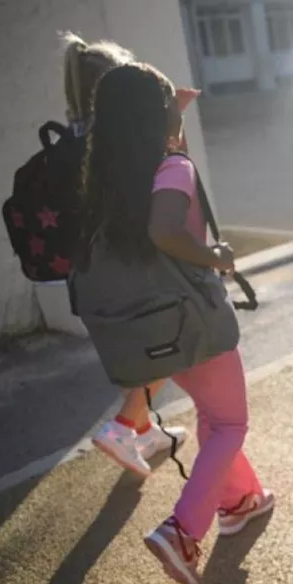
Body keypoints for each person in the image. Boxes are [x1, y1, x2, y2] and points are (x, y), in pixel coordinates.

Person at [81, 63, 274, 584]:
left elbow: (151, 214)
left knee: (216, 415)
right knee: (231, 423)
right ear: (155, 115)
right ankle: (183, 530)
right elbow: (166, 229)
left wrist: (173, 114)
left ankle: (238, 501)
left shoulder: (109, 176)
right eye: (168, 102)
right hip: (193, 320)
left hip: (152, 328)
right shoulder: (173, 169)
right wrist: (216, 258)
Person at [61, 32, 192, 478]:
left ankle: (143, 427)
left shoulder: (77, 137)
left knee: (144, 347)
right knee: (176, 339)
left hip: (96, 273)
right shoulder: (121, 141)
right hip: (137, 263)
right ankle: (123, 425)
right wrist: (177, 122)